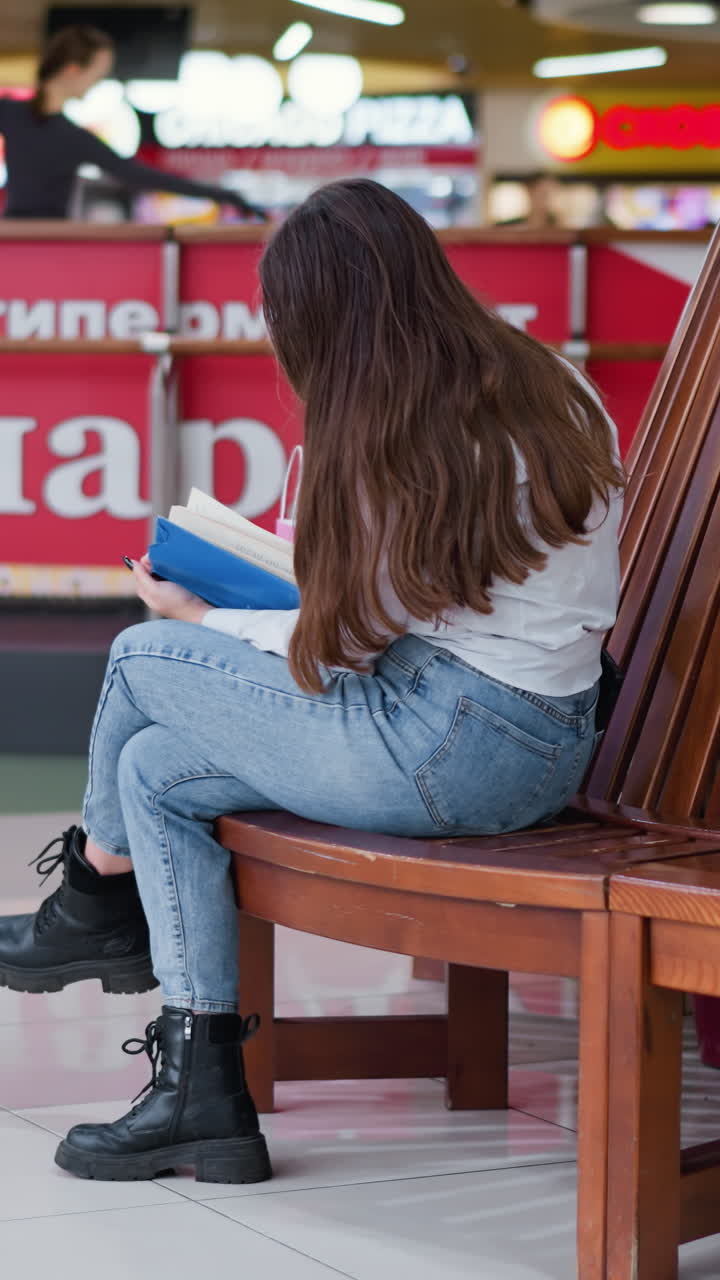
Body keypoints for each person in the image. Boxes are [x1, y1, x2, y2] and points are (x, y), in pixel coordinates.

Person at [0, 178, 625, 1184]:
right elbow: (426, 602)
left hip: (444, 747)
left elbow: (340, 648)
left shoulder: (392, 426)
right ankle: (202, 1088)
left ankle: (89, 896)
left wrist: (202, 617)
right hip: (545, 740)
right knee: (155, 766)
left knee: (141, 656)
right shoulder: (545, 379)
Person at [0, 26, 266, 221]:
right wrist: (224, 195)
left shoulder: (67, 134)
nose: (99, 83)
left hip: (27, 239)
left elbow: (139, 175)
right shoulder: (67, 134)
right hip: (39, 240)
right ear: (72, 70)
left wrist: (222, 195)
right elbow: (138, 174)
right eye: (98, 75)